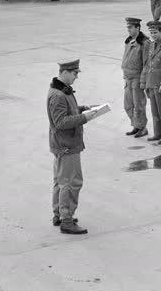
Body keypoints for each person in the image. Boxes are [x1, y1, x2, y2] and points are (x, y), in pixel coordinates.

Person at [47, 59, 98, 235]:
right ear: (65, 72)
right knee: (71, 182)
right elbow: (60, 122)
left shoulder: (62, 90)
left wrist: (83, 109)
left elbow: (67, 112)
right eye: (75, 73)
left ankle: (59, 215)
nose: (76, 77)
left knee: (60, 181)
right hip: (67, 145)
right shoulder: (58, 95)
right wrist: (85, 118)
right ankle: (66, 220)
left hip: (64, 143)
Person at [141, 20, 161, 144]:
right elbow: (147, 64)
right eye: (151, 33)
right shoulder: (150, 45)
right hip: (151, 82)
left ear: (160, 32)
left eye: (155, 32)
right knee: (154, 111)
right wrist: (144, 81)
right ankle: (157, 133)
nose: (153, 35)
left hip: (160, 84)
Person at [121, 17, 148, 138]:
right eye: (128, 27)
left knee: (139, 105)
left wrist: (143, 80)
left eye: (130, 27)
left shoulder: (144, 42)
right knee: (128, 105)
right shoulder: (129, 41)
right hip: (128, 77)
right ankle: (136, 125)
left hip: (137, 77)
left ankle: (142, 128)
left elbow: (146, 63)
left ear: (137, 28)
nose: (128, 30)